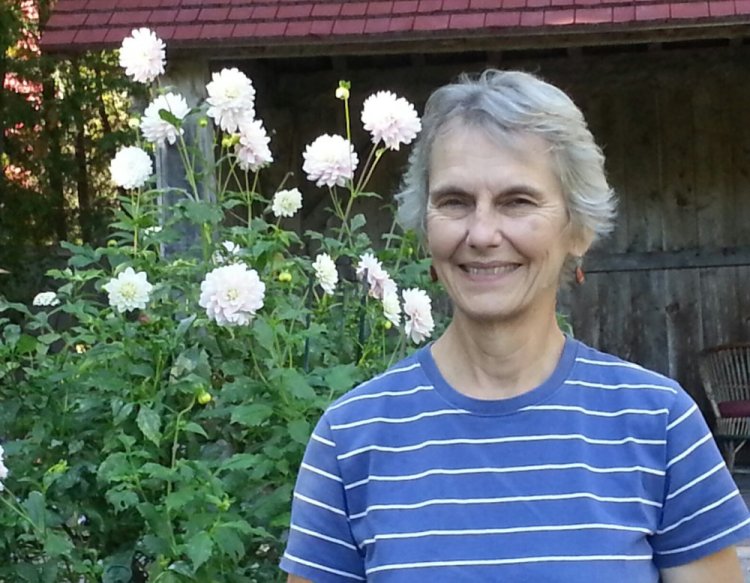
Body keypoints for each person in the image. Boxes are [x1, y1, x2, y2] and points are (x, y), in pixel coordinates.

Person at [280, 69, 750, 582]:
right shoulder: (352, 438)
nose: (481, 233)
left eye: (517, 201)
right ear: (425, 226)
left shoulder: (659, 425)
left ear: (579, 228)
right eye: (454, 202)